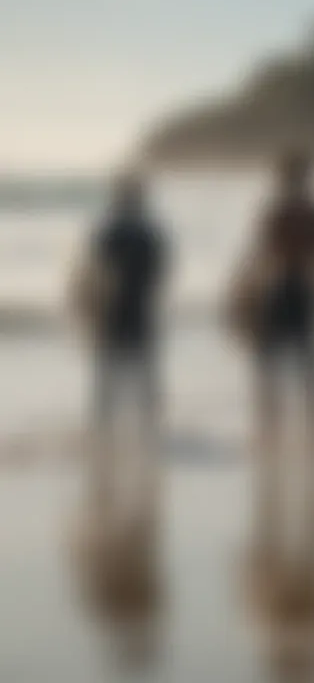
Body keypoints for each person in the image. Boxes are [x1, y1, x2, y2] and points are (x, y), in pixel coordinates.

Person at [228, 150, 314, 599]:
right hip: (306, 288)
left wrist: (241, 287)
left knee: (271, 367)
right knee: (307, 367)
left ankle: (270, 435)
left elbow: (260, 253)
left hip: (282, 288)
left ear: (283, 177)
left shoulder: (278, 210)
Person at [70, 171, 169, 516]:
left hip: (112, 311)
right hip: (141, 310)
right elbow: (160, 274)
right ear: (140, 200)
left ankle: (102, 439)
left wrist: (87, 310)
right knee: (144, 376)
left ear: (117, 199)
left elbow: (90, 275)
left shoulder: (108, 232)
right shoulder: (151, 233)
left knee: (107, 380)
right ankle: (149, 436)